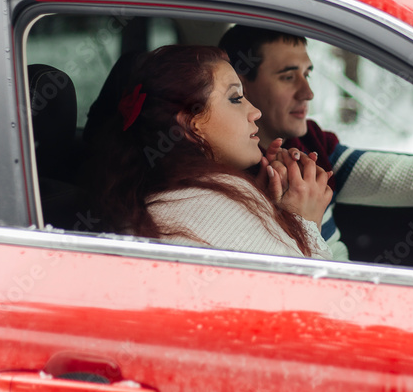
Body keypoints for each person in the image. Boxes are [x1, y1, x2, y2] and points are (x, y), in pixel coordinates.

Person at [218, 25, 413, 261]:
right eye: (288, 77)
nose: (307, 93)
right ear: (240, 85)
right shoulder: (222, 177)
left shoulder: (308, 144)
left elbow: (399, 177)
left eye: (306, 75)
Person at [85, 45, 333, 259]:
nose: (255, 112)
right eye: (235, 98)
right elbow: (309, 297)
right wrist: (305, 221)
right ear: (191, 125)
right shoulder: (207, 206)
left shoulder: (174, 196)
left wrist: (267, 207)